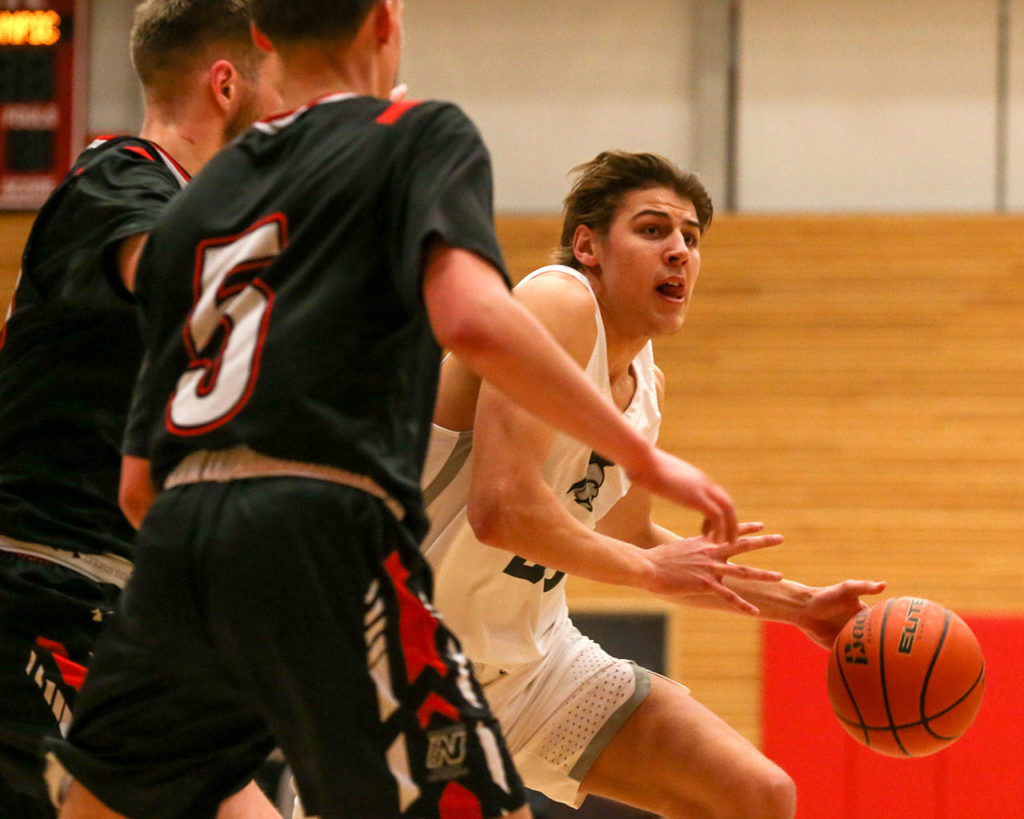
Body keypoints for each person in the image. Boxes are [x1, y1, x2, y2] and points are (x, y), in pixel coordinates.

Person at [48, 3, 746, 818]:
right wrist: (643, 456)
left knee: (101, 807)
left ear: (264, 38)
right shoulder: (414, 132)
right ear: (386, 24)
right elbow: (476, 321)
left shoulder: (203, 193)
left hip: (178, 549)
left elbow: (139, 484)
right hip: (322, 535)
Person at [420, 150, 888, 818]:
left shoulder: (645, 382)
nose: (679, 251)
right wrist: (646, 569)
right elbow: (500, 508)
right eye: (652, 230)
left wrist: (801, 605)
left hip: (532, 665)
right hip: (404, 668)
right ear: (588, 246)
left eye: (691, 238)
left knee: (756, 796)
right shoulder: (557, 299)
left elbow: (632, 536)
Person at [0, 2, 283, 816]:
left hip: (117, 602)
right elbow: (182, 276)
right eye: (282, 86)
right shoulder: (120, 175)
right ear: (226, 84)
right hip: (46, 587)